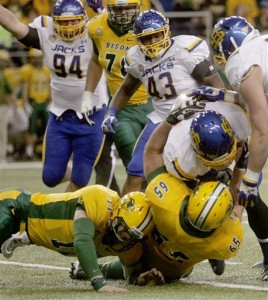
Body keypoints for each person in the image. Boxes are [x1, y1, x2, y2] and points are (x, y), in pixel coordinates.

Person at [101, 9, 225, 194]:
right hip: (160, 118)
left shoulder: (184, 50)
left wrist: (218, 112)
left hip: (192, 116)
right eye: (146, 38)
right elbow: (126, 89)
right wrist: (111, 112)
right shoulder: (136, 59)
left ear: (165, 31)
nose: (152, 42)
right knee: (136, 171)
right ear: (137, 39)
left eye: (156, 35)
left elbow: (217, 86)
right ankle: (127, 216)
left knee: (197, 172)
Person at [189, 16, 268, 281]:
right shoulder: (259, 46)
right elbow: (254, 98)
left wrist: (251, 179)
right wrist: (223, 95)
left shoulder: (240, 62)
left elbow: (263, 131)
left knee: (251, 190)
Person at [0, 0, 108, 192]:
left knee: (81, 178)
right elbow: (15, 26)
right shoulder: (46, 32)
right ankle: (68, 179)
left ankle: (65, 217)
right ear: (53, 21)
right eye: (63, 22)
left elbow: (122, 30)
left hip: (92, 115)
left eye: (73, 21)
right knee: (50, 177)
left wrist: (104, 12)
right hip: (60, 116)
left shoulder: (95, 32)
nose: (68, 27)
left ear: (84, 20)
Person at [142, 99, 244, 278]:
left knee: (138, 223)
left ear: (191, 199)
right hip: (182, 267)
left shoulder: (166, 201)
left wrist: (169, 121)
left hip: (163, 251)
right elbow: (237, 202)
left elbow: (151, 152)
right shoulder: (225, 243)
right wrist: (240, 169)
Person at [0, 185, 155, 292]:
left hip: (27, 230)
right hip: (15, 207)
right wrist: (99, 282)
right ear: (117, 213)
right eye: (122, 229)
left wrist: (139, 278)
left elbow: (129, 272)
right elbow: (82, 241)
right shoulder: (101, 200)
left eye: (130, 236)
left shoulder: (129, 245)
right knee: (3, 225)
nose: (123, 237)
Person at [83, 0, 154, 195]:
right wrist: (88, 92)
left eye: (128, 8)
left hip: (153, 104)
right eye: (118, 8)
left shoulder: (147, 27)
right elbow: (96, 61)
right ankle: (127, 215)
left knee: (158, 164)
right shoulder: (96, 27)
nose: (123, 13)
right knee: (136, 168)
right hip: (121, 108)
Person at [20, 48, 50, 160]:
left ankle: (47, 150)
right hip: (33, 103)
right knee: (31, 128)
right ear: (30, 59)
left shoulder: (46, 70)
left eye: (38, 58)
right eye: (34, 58)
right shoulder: (27, 70)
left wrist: (51, 102)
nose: (36, 60)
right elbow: (25, 87)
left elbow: (50, 86)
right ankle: (29, 152)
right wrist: (26, 103)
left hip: (45, 102)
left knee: (49, 128)